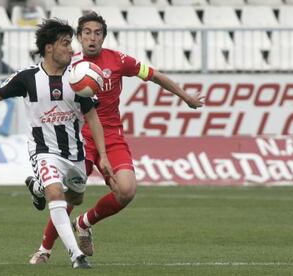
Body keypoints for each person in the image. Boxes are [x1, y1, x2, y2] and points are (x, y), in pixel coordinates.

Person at [26, 11, 205, 264]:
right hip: (79, 137)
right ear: (78, 36)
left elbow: (154, 75)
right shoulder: (69, 63)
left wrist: (185, 96)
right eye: (86, 32)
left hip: (111, 135)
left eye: (97, 33)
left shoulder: (118, 60)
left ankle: (85, 223)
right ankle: (44, 250)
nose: (92, 37)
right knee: (67, 196)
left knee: (127, 190)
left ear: (103, 37)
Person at [0, 18, 116, 269]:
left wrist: (104, 156)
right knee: (57, 194)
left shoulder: (78, 78)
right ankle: (76, 255)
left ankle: (38, 188)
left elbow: (93, 118)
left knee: (75, 197)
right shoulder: (26, 77)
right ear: (50, 47)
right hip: (43, 151)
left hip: (75, 152)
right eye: (66, 44)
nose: (72, 49)